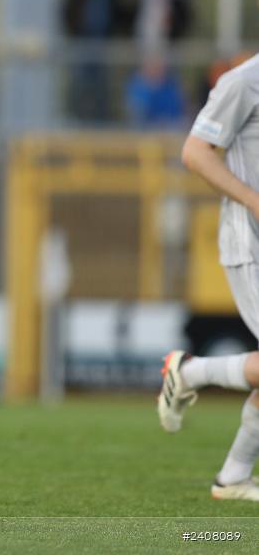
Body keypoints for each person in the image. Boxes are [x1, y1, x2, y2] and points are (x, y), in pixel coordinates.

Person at [159, 53, 259, 502]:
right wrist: (255, 201)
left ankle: (234, 476)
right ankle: (192, 372)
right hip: (251, 241)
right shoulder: (244, 81)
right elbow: (195, 153)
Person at [61, 0, 131, 122]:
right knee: (79, 87)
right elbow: (68, 13)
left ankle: (101, 122)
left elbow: (123, 15)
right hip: (82, 47)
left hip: (104, 48)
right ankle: (76, 121)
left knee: (102, 90)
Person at [125, 52, 185, 128]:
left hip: (169, 127)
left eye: (160, 65)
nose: (157, 68)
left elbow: (177, 109)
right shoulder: (137, 85)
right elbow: (137, 113)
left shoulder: (171, 84)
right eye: (153, 65)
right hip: (145, 128)